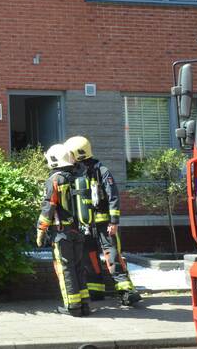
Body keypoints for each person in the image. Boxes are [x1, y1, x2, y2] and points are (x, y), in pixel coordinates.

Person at [64, 135, 141, 306]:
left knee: (112, 255)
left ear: (77, 153)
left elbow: (113, 196)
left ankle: (127, 291)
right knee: (88, 256)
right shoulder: (74, 173)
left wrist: (114, 221)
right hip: (86, 225)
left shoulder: (101, 170)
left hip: (105, 223)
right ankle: (96, 290)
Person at [36, 144, 90, 317]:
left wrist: (41, 229)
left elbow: (48, 207)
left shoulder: (55, 179)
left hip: (61, 233)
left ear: (53, 160)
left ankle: (72, 307)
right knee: (78, 267)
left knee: (65, 268)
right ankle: (84, 305)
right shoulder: (78, 177)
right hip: (78, 230)